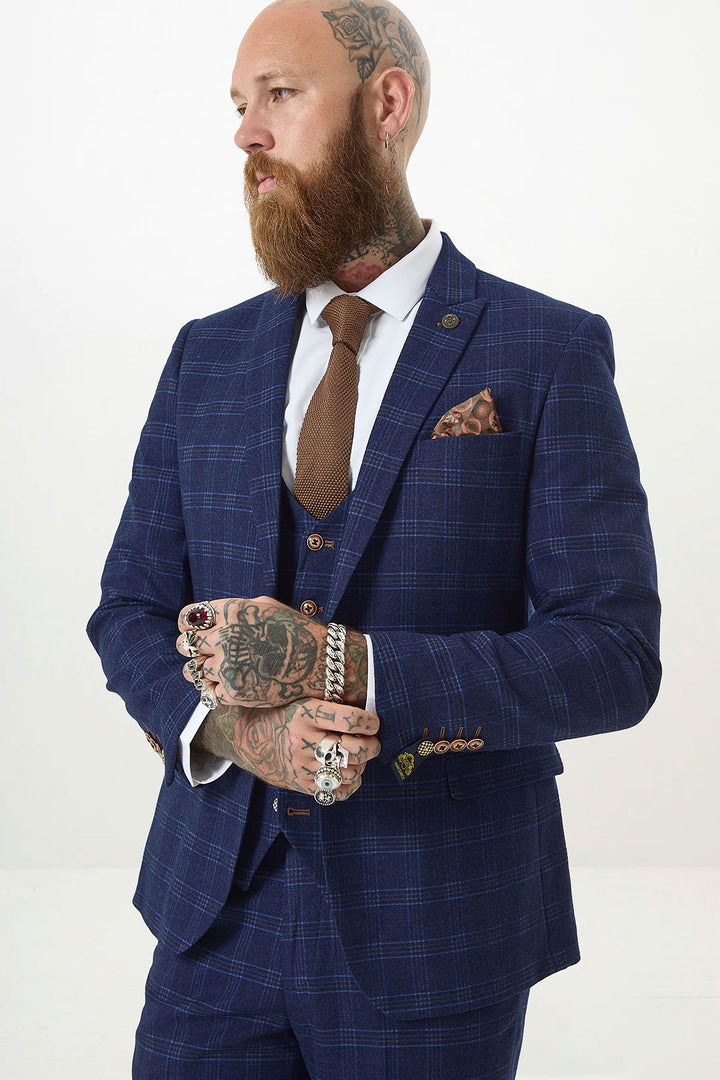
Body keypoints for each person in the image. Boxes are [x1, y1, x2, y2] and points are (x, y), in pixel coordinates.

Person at [87, 1, 661, 1076]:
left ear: (386, 103)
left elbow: (615, 656)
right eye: (239, 106)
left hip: (438, 930)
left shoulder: (546, 350)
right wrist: (231, 733)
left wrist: (347, 666)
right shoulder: (202, 359)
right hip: (214, 919)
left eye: (280, 96)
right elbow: (126, 607)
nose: (247, 135)